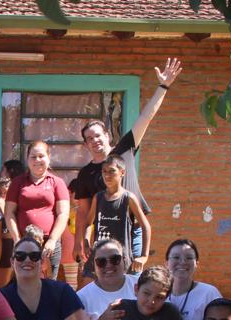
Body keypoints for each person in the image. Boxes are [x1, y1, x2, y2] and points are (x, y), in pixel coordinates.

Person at [70, 58, 182, 264]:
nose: (95, 141)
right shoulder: (85, 173)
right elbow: (84, 211)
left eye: (98, 135)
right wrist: (79, 242)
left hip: (133, 229)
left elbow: (146, 117)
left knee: (133, 281)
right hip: (105, 234)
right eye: (89, 139)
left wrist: (163, 86)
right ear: (86, 145)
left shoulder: (125, 150)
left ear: (107, 135)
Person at [3, 142, 71, 280]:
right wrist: (17, 239)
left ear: (49, 157)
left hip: (49, 244)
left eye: (41, 156)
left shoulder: (57, 182)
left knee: (50, 284)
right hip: (23, 241)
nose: (37, 160)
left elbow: (63, 214)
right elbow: (9, 212)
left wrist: (52, 240)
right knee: (22, 281)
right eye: (33, 157)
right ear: (27, 159)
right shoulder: (17, 182)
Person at [81, 155, 151, 277]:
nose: (107, 175)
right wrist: (86, 243)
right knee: (88, 287)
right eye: (104, 171)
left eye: (112, 171)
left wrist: (144, 256)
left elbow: (146, 226)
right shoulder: (98, 197)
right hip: (99, 257)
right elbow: (88, 223)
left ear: (122, 172)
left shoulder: (128, 198)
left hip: (119, 259)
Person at [164, 239, 222, 320]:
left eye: (189, 258)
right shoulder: (157, 295)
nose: (182, 262)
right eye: (176, 257)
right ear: (166, 263)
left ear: (197, 264)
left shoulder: (208, 293)